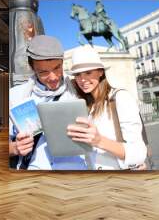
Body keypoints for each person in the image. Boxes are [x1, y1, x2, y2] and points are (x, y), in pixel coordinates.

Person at [9, 35, 87, 170]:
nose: (53, 77)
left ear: (63, 63)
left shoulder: (79, 90)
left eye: (57, 68)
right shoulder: (15, 96)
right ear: (32, 68)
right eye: (44, 72)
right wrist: (14, 148)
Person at [66, 46, 147, 170]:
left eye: (88, 72)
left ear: (101, 72)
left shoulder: (120, 98)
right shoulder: (85, 105)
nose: (82, 80)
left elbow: (138, 153)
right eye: (77, 75)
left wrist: (99, 141)